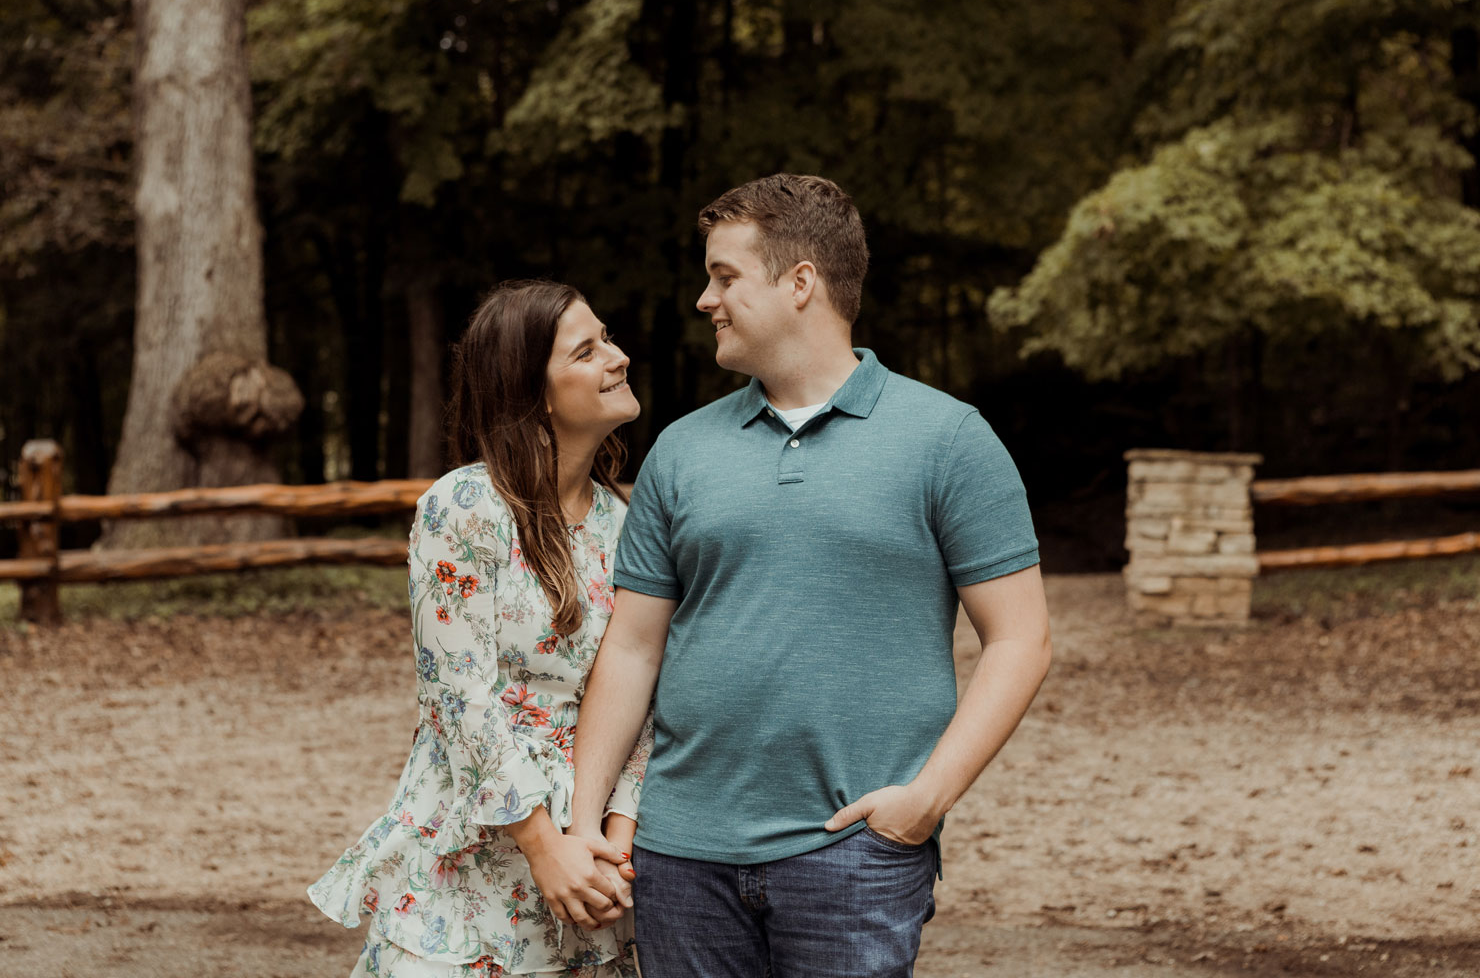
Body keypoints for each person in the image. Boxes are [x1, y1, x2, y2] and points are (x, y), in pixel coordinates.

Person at [556, 174, 1053, 978]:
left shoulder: (949, 439)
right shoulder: (681, 450)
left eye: (724, 276)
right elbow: (633, 649)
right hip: (679, 857)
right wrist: (585, 820)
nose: (703, 299)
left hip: (854, 852)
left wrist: (925, 802)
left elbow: (1021, 640)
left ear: (800, 284)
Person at [309, 280, 651, 978]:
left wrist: (614, 844)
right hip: (474, 854)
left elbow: (647, 695)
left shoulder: (631, 527)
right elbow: (457, 696)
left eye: (607, 338)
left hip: (593, 863)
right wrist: (542, 846)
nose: (617, 358)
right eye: (587, 351)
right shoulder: (464, 508)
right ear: (538, 394)